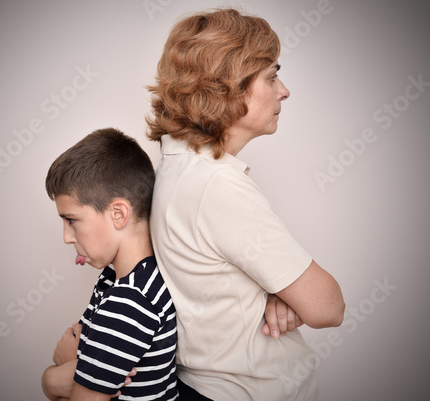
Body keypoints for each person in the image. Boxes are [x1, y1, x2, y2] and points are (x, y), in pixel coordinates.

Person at [146, 8, 345, 401]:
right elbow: (329, 308)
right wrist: (286, 291)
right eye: (271, 76)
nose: (283, 90)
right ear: (229, 88)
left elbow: (220, 272)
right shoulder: (216, 186)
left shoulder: (177, 164)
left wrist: (277, 290)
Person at [41, 128, 179, 400]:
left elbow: (72, 357)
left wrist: (54, 378)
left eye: (71, 220)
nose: (67, 237)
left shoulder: (130, 301)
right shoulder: (115, 278)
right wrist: (73, 371)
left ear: (118, 214)